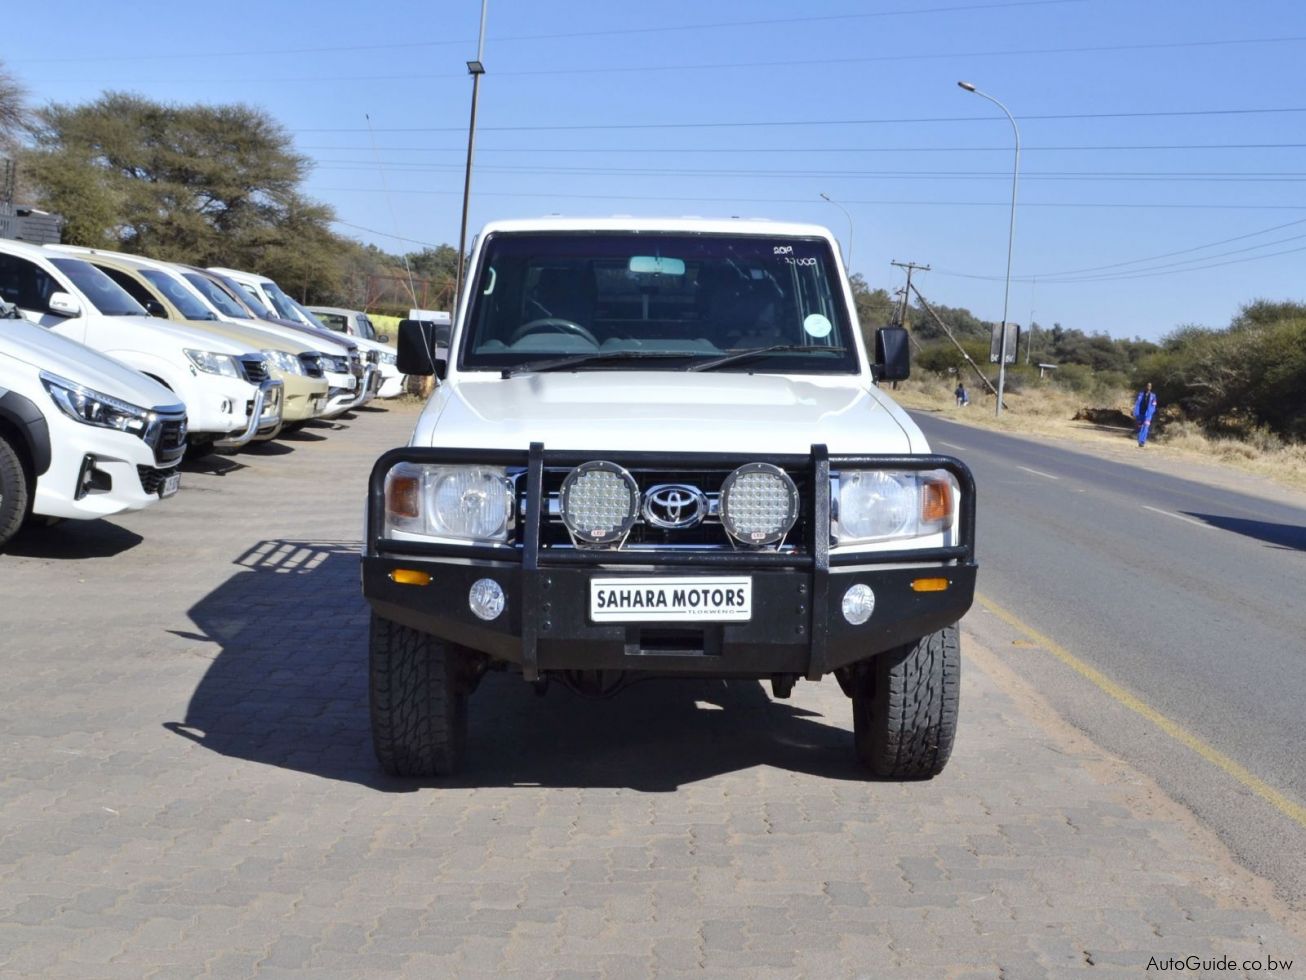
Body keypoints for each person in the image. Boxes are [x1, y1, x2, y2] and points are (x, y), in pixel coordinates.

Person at [1133, 382, 1158, 447]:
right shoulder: (1140, 394)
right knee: (1139, 427)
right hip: (1140, 413)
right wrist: (1135, 412)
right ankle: (1139, 440)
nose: (1148, 387)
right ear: (1145, 386)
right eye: (1147, 386)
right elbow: (1137, 403)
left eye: (1150, 386)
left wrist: (1150, 412)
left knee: (1146, 427)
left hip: (1148, 415)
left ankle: (1142, 442)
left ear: (1151, 387)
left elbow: (1154, 405)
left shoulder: (1153, 396)